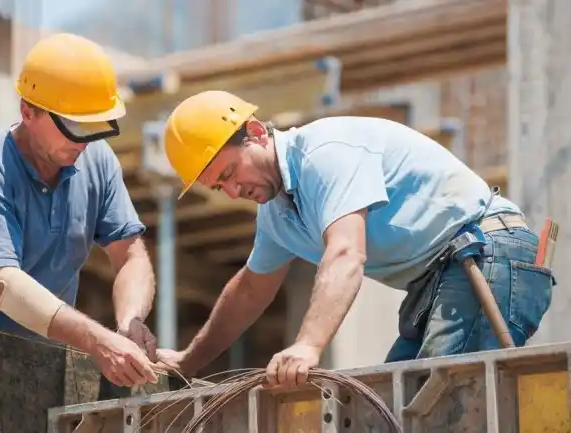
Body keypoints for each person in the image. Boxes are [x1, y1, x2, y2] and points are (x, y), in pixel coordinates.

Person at [155, 90, 555, 388]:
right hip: (443, 280)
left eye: (229, 173)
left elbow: (346, 253)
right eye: (217, 187)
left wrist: (308, 346)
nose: (231, 191)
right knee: (389, 405)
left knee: (439, 402)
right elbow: (248, 292)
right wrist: (189, 362)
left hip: (488, 256)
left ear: (257, 133)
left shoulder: (324, 153)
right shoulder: (277, 214)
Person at [0, 33, 159, 388]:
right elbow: (3, 285)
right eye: (73, 126)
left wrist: (130, 322)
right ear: (28, 112)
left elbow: (130, 256)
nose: (84, 141)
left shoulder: (97, 160)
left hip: (41, 371)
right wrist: (97, 340)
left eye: (94, 126)